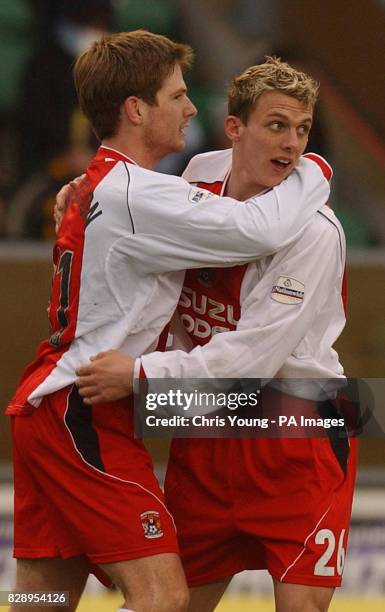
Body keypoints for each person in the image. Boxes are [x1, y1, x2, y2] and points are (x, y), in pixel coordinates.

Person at [6, 32, 329, 612]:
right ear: (136, 109)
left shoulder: (114, 185)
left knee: (42, 595)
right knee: (162, 598)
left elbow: (185, 195)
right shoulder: (139, 193)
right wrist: (317, 167)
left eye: (301, 131)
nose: (191, 108)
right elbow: (256, 230)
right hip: (85, 406)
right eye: (177, 96)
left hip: (48, 405)